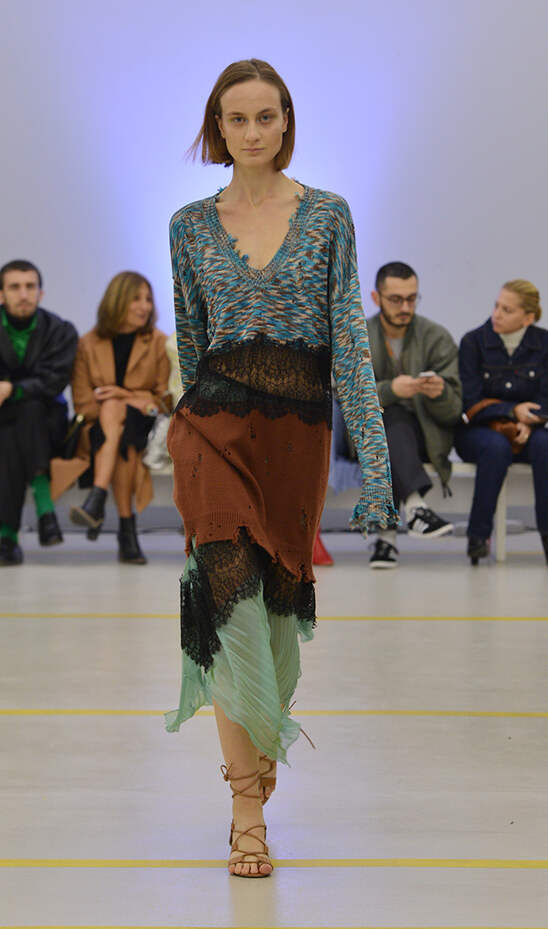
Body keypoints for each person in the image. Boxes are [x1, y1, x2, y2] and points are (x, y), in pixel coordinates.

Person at [165, 58, 395, 878]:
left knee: (271, 624)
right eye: (238, 119)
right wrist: (187, 427)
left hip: (295, 440)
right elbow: (192, 343)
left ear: (287, 121)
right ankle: (246, 810)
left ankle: (257, 757)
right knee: (228, 611)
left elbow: (349, 346)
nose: (253, 131)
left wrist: (377, 465)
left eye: (267, 116)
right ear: (218, 128)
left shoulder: (328, 216)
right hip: (213, 429)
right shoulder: (189, 226)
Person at [0, 260, 77, 566]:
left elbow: (55, 382)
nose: (23, 294)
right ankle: (45, 510)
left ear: (41, 292)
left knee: (26, 412)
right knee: (17, 418)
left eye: (30, 286)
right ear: (0, 294)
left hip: (48, 430)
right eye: (15, 287)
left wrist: (10, 389)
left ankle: (8, 539)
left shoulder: (60, 331)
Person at [51, 271, 170, 564]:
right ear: (117, 301)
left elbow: (163, 402)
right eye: (136, 299)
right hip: (99, 431)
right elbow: (83, 405)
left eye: (148, 299)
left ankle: (97, 498)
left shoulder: (158, 342)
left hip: (146, 426)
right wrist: (124, 401)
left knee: (118, 417)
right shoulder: (88, 344)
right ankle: (126, 533)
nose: (145, 306)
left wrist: (124, 396)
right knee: (117, 427)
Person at [365, 261, 462, 568]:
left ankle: (386, 540)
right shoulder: (358, 336)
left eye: (412, 298)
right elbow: (345, 393)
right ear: (376, 297)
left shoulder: (436, 337)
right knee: (390, 416)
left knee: (393, 430)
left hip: (423, 437)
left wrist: (440, 393)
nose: (405, 307)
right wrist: (391, 389)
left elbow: (454, 411)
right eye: (396, 299)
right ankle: (416, 509)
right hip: (367, 437)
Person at [455, 279, 548, 565]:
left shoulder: (544, 344)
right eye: (496, 306)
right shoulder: (473, 342)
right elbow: (470, 402)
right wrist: (512, 411)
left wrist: (530, 421)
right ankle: (478, 536)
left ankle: (546, 534)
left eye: (507, 310)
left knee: (545, 445)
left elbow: (546, 396)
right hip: (479, 431)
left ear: (528, 317)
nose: (496, 314)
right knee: (495, 447)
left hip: (528, 429)